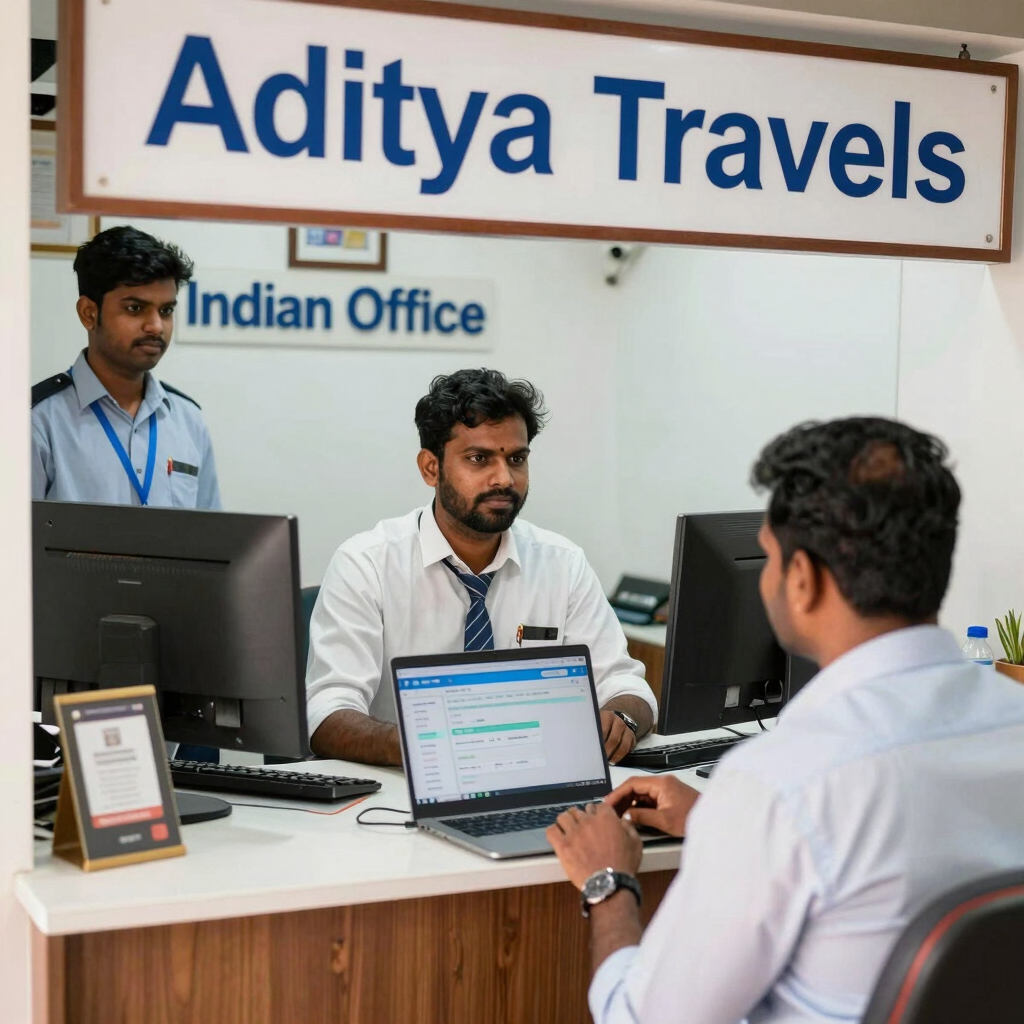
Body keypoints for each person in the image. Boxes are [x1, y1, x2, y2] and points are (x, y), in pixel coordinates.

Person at [546, 417, 1024, 1024]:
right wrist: (722, 821)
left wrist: (608, 882)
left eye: (768, 558)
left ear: (802, 580)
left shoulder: (782, 784)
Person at [307, 368, 656, 767]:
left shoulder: (562, 563)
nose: (504, 478)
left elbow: (624, 682)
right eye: (479, 459)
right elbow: (327, 713)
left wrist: (623, 717)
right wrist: (430, 745)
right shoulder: (366, 564)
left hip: (536, 776)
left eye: (517, 459)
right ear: (430, 468)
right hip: (401, 791)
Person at [31, 225, 221, 509]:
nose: (156, 326)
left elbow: (212, 541)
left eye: (166, 311)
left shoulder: (188, 420)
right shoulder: (37, 421)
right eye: (135, 309)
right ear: (89, 313)